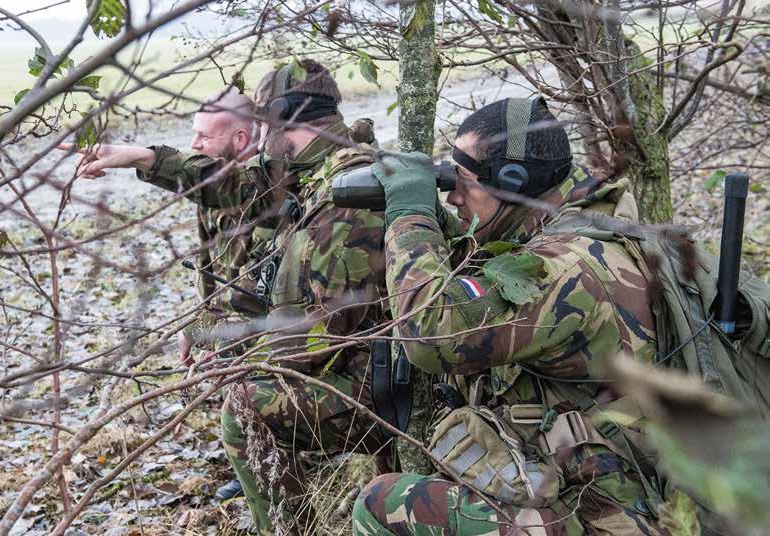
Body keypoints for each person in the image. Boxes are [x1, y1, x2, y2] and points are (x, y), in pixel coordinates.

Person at [352, 97, 666, 535]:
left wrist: (410, 214)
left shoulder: (571, 268)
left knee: (381, 504)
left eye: (463, 182)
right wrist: (446, 223)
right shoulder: (588, 222)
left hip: (608, 518)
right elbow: (490, 275)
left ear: (515, 183)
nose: (454, 196)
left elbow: (430, 333)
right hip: (607, 491)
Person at [63, 89, 269, 501]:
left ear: (241, 142)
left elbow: (254, 299)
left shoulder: (265, 189)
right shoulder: (217, 191)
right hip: (238, 328)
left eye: (203, 137)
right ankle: (250, 461)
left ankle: (269, 471)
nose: (194, 145)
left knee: (253, 389)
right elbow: (216, 276)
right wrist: (202, 324)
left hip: (275, 337)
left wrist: (141, 156)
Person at [217, 59, 394, 535]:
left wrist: (249, 356)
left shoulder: (344, 197)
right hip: (367, 368)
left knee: (243, 407)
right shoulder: (321, 173)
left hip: (378, 388)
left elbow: (336, 332)